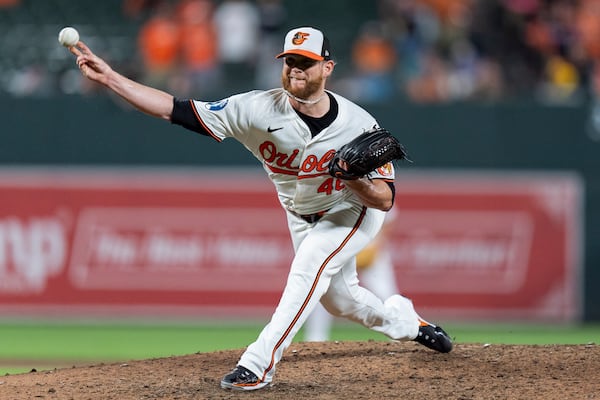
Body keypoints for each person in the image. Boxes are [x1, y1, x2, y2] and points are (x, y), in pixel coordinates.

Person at [68, 26, 452, 392]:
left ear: (328, 68)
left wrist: (354, 179)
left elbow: (385, 198)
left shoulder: (359, 124)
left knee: (307, 269)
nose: (296, 69)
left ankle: (258, 364)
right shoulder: (254, 109)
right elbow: (175, 108)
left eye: (306, 62)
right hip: (302, 217)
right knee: (341, 302)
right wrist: (112, 79)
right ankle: (406, 323)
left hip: (352, 209)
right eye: (290, 61)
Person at [304, 207, 399, 342]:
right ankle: (315, 340)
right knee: (322, 292)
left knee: (386, 295)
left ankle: (401, 337)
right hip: (341, 248)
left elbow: (389, 220)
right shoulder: (335, 190)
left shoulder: (378, 186)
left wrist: (377, 245)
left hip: (369, 247)